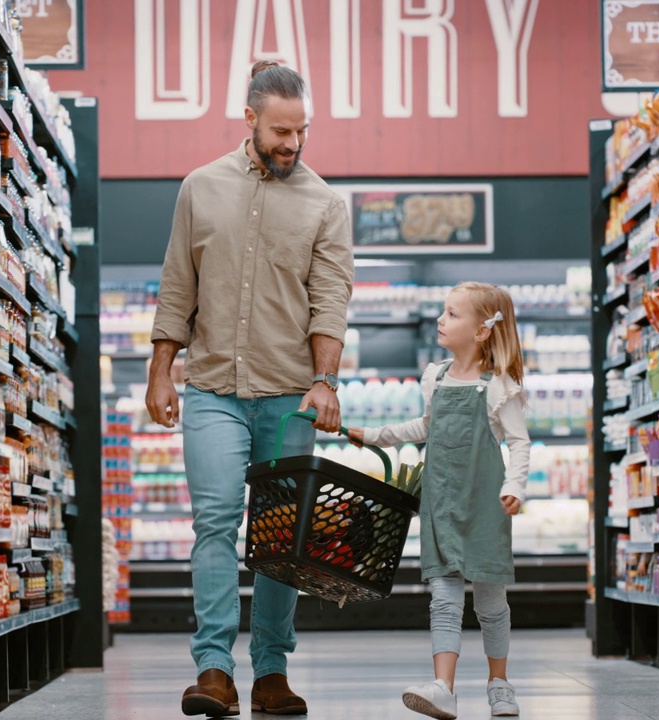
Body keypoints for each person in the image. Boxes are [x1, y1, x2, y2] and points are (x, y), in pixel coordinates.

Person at [146, 60, 355, 717]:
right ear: (250, 119)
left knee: (277, 535)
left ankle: (270, 670)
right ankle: (213, 668)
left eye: (302, 132)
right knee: (213, 523)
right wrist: (159, 370)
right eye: (280, 131)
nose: (292, 143)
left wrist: (326, 380)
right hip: (210, 387)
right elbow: (178, 284)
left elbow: (330, 300)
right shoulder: (200, 188)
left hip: (291, 392)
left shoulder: (326, 203)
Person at [347, 282, 531, 719]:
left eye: (452, 314)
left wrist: (515, 487)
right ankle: (443, 687)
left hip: (486, 507)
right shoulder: (437, 376)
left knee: (490, 603)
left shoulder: (498, 386)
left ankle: (499, 682)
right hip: (441, 505)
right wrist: (376, 436)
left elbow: (520, 443)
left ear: (482, 331)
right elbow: (424, 427)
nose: (440, 321)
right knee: (444, 599)